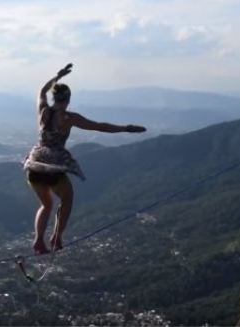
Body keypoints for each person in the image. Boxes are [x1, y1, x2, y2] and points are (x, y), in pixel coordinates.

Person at [23, 63, 147, 255]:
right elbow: (99, 126)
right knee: (67, 198)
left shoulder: (43, 111)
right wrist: (125, 128)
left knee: (46, 205)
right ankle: (57, 238)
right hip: (53, 167)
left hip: (34, 164)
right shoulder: (69, 118)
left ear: (55, 97)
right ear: (68, 99)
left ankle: (38, 241)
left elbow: (41, 90)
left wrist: (57, 76)